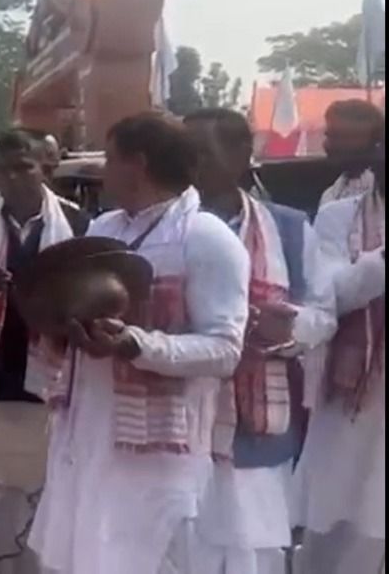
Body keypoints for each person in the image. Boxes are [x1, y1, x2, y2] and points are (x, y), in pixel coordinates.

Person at [27, 112, 251, 574]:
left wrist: (136, 344)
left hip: (155, 458)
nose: (102, 169)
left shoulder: (206, 238)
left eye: (110, 158)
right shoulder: (104, 229)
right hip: (85, 436)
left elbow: (226, 350)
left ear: (139, 164)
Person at [184, 108, 337, 574]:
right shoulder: (165, 228)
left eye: (201, 155)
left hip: (257, 429)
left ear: (239, 156)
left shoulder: (287, 228)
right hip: (181, 422)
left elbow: (324, 314)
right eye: (183, 155)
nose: (191, 167)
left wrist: (288, 327)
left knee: (255, 553)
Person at [0, 131, 89, 573]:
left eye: (22, 167)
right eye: (3, 170)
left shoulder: (79, 222)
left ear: (44, 168)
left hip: (48, 383)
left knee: (39, 500)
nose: (11, 178)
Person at [292, 148, 385, 574]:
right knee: (337, 520)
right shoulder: (337, 217)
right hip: (353, 395)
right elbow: (333, 295)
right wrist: (381, 262)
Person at [319, 99, 384, 207]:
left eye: (336, 136)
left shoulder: (379, 193)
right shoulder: (330, 195)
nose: (326, 145)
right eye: (328, 136)